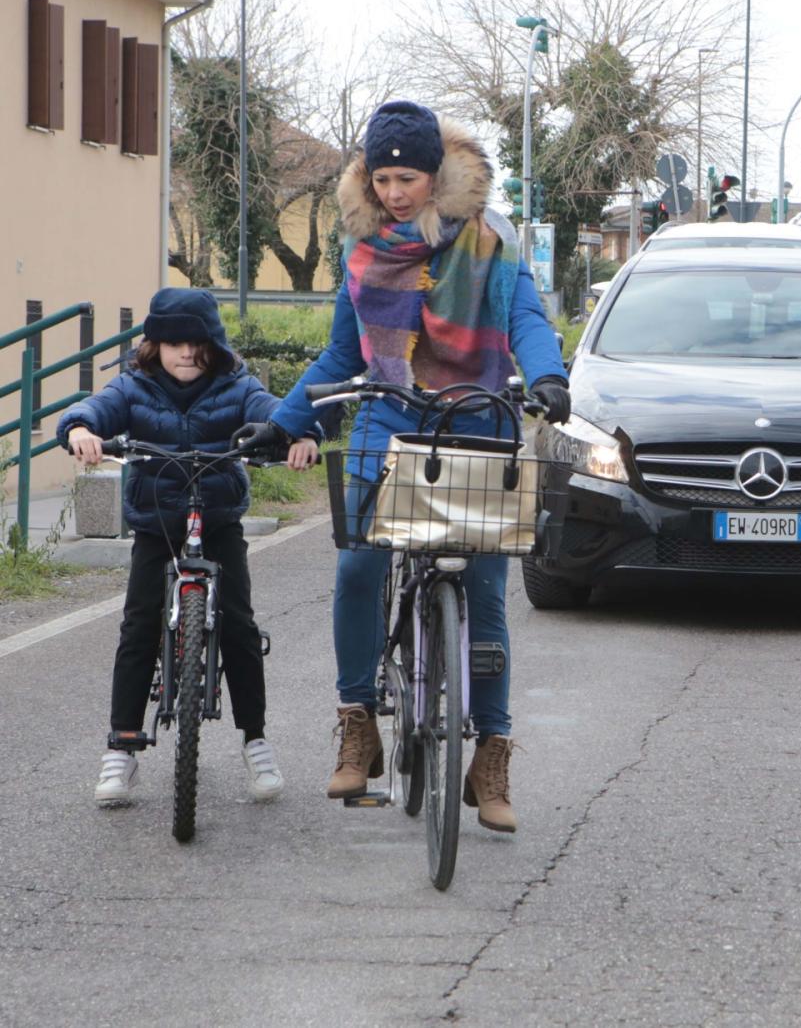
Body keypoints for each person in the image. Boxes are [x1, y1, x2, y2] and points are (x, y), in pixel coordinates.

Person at [242, 101, 571, 834]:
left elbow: (526, 321)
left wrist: (547, 378)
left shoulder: (489, 244)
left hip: (474, 417)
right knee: (357, 566)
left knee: (485, 589)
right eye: (383, 178)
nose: (396, 192)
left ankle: (491, 752)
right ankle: (359, 722)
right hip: (388, 421)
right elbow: (341, 356)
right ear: (368, 179)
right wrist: (284, 422)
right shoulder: (362, 255)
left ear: (436, 174)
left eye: (409, 178)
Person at [58, 288, 319, 807]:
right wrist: (82, 429)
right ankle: (121, 749)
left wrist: (299, 435)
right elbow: (95, 408)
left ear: (213, 346)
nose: (185, 355)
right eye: (173, 343)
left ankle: (256, 741)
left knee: (241, 626)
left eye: (197, 345)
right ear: (153, 345)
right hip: (158, 524)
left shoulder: (235, 384)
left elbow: (275, 410)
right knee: (137, 626)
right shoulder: (133, 386)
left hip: (218, 520)